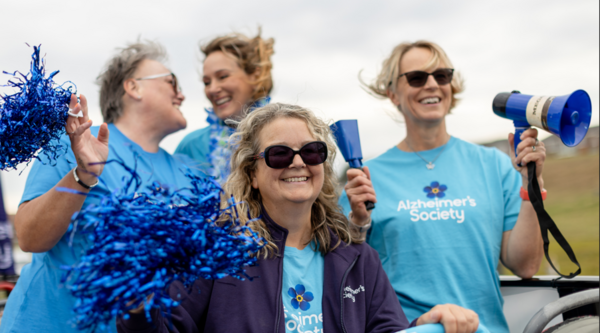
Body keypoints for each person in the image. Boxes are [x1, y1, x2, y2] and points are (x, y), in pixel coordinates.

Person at [117, 103, 479, 333]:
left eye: (311, 151)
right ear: (252, 174)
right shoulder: (216, 255)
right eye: (278, 154)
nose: (297, 162)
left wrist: (425, 323)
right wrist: (135, 306)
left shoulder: (357, 258)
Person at [340, 40, 546, 333]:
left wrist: (531, 184)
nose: (432, 85)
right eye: (416, 78)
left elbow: (525, 265)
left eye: (442, 76)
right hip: (408, 329)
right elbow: (343, 274)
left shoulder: (494, 165)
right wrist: (357, 224)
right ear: (392, 93)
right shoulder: (366, 177)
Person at [1, 41, 195, 333]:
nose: (181, 93)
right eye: (172, 82)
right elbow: (28, 237)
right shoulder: (77, 140)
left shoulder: (186, 175)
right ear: (134, 87)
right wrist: (83, 174)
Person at [175, 30, 274, 184]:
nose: (213, 89)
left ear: (255, 75)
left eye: (223, 77)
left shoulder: (286, 138)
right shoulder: (191, 147)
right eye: (207, 82)